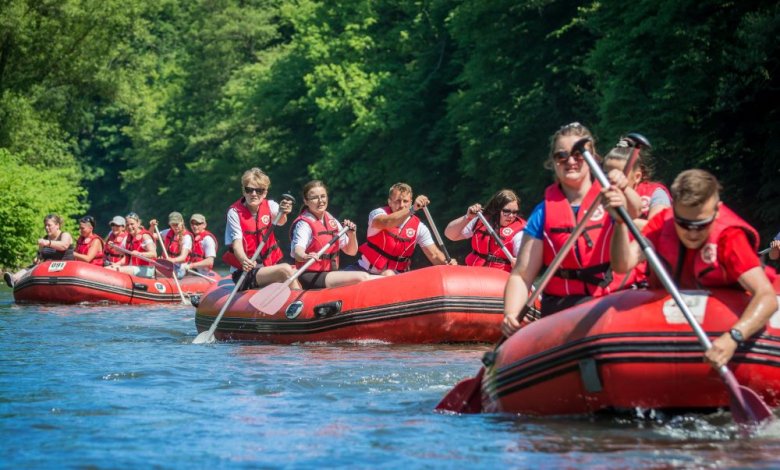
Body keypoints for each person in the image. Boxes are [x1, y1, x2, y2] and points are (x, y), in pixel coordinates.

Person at [609, 169, 778, 369]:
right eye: (684, 224)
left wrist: (734, 337)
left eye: (701, 224)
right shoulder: (662, 223)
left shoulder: (730, 237)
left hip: (738, 328)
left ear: (717, 210)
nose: (692, 233)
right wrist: (620, 223)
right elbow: (622, 264)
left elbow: (766, 297)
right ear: (675, 212)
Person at [502, 122, 642, 337]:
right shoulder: (543, 213)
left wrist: (624, 188)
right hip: (560, 309)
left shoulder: (611, 198)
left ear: (592, 158)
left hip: (605, 305)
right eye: (562, 156)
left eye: (578, 154)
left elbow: (635, 211)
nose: (571, 161)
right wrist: (511, 313)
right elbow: (521, 275)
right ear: (553, 163)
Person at [352, 182, 457, 276]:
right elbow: (386, 222)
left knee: (388, 274)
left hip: (395, 276)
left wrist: (447, 263)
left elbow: (434, 255)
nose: (401, 205)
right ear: (389, 202)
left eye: (405, 201)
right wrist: (412, 209)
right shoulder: (377, 214)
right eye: (397, 201)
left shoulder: (420, 228)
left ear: (411, 202)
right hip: (364, 270)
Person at [290, 180, 379, 289]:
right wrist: (305, 256)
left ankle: (389, 281)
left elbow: (351, 251)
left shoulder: (332, 221)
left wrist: (352, 234)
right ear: (306, 201)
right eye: (314, 198)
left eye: (323, 196)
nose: (320, 201)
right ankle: (389, 281)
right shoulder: (304, 224)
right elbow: (297, 251)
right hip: (309, 275)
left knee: (366, 277)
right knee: (362, 277)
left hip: (329, 273)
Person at [223, 167, 297, 291]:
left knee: (291, 271)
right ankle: (299, 305)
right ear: (244, 191)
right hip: (245, 272)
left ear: (265, 193)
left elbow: (281, 221)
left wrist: (283, 212)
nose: (253, 194)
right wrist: (244, 260)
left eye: (259, 191)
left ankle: (298, 300)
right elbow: (237, 245)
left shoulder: (271, 205)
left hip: (270, 265)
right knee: (285, 269)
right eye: (249, 190)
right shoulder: (234, 212)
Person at [444, 189, 526, 272]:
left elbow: (524, 256)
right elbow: (450, 235)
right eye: (506, 211)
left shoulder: (520, 232)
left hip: (499, 277)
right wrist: (467, 217)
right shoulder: (482, 219)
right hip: (474, 273)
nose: (511, 216)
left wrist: (520, 262)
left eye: (515, 212)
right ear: (497, 210)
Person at [603, 137, 671, 226]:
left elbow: (658, 227)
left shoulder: (656, 193)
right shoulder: (600, 193)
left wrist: (621, 219)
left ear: (637, 177)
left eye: (619, 174)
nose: (611, 179)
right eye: (606, 173)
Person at [4, 214, 75, 287]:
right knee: (33, 266)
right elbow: (39, 255)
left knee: (39, 268)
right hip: (49, 269)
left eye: (49, 225)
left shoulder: (65, 235)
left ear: (57, 225)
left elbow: (64, 246)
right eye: (45, 225)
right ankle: (15, 278)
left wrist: (48, 243)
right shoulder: (45, 239)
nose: (46, 228)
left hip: (65, 268)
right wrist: (37, 258)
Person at [108, 212, 157, 278]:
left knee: (113, 270)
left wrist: (139, 254)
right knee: (108, 268)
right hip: (133, 267)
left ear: (138, 223)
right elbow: (124, 254)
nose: (130, 227)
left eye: (132, 224)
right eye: (127, 225)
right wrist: (114, 246)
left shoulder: (145, 236)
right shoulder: (128, 237)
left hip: (147, 269)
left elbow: (154, 254)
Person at [150, 212, 193, 279]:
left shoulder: (187, 237)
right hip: (168, 266)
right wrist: (152, 226)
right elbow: (151, 236)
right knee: (151, 269)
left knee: (153, 271)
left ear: (182, 222)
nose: (175, 227)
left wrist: (171, 260)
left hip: (180, 268)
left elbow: (183, 257)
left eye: (177, 224)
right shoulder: (168, 232)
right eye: (173, 225)